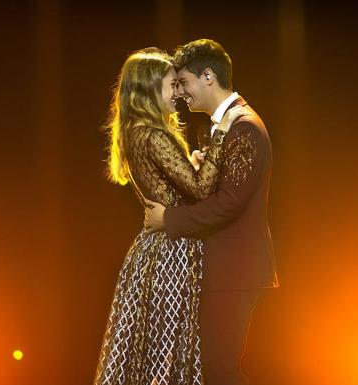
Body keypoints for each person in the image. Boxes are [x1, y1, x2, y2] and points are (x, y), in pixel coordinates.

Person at [94, 47, 246, 385]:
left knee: (149, 354)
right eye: (171, 85)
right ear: (150, 90)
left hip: (152, 253)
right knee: (169, 354)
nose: (178, 93)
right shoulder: (155, 135)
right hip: (171, 254)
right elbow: (202, 189)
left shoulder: (135, 132)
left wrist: (192, 162)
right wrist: (221, 134)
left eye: (179, 85)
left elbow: (178, 184)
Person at [144, 39, 279, 385]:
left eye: (183, 83)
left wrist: (168, 219)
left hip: (235, 269)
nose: (180, 94)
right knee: (213, 370)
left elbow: (231, 203)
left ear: (208, 76)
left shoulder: (244, 126)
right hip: (227, 269)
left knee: (219, 371)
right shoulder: (227, 125)